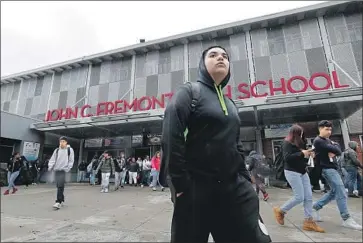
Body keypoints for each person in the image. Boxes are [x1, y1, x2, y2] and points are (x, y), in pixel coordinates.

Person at [160, 46, 271, 243]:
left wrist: (245, 179)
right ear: (202, 64)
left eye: (225, 56)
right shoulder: (189, 92)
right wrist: (180, 183)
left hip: (233, 188)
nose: (220, 58)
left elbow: (236, 143)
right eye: (213, 55)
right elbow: (171, 137)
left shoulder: (230, 104)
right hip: (195, 188)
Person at [273, 125, 324, 233]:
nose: (301, 135)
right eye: (300, 133)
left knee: (308, 196)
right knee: (299, 197)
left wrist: (308, 153)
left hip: (302, 171)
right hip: (292, 172)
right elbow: (287, 157)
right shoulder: (286, 143)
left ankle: (308, 221)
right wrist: (302, 153)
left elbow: (300, 156)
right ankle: (280, 211)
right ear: (295, 133)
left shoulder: (300, 142)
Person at [312, 120, 362, 230]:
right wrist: (333, 147)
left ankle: (315, 207)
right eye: (326, 129)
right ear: (320, 129)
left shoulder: (326, 140)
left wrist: (333, 147)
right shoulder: (319, 141)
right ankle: (346, 218)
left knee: (334, 192)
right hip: (327, 169)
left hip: (333, 168)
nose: (329, 131)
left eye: (330, 129)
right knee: (341, 191)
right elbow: (337, 150)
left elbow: (338, 149)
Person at [48, 136, 75, 209]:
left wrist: (68, 168)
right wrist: (50, 166)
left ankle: (58, 202)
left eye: (63, 141)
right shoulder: (57, 150)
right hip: (57, 170)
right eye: (60, 142)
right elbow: (52, 159)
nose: (61, 143)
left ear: (66, 142)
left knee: (60, 186)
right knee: (59, 186)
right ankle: (62, 199)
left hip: (64, 170)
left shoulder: (70, 150)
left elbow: (71, 160)